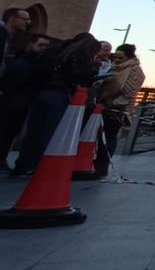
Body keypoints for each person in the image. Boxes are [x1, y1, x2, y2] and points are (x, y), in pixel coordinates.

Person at [11, 33, 102, 175]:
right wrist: (95, 71)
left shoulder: (57, 49)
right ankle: (38, 166)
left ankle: (23, 165)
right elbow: (82, 76)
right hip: (59, 93)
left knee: (34, 131)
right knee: (50, 132)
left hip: (42, 92)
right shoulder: (80, 53)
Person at [93, 43, 145, 176]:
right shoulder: (111, 67)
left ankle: (102, 166)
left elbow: (129, 93)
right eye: (115, 57)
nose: (116, 60)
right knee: (95, 136)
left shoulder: (134, 70)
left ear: (129, 57)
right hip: (100, 105)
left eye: (120, 58)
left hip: (116, 109)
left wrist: (113, 104)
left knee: (109, 136)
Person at [0, 33, 50, 170]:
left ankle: (2, 159)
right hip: (12, 100)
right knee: (5, 131)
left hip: (22, 102)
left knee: (10, 133)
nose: (43, 48)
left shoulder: (39, 62)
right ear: (31, 43)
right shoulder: (18, 59)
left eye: (46, 46)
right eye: (41, 45)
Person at [0, 7, 31, 77]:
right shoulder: (1, 32)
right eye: (24, 19)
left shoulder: (6, 35)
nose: (27, 22)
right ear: (12, 18)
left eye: (28, 20)